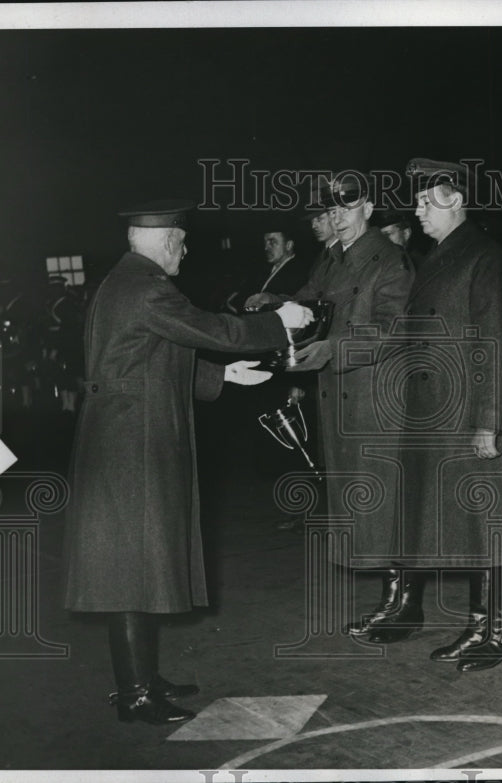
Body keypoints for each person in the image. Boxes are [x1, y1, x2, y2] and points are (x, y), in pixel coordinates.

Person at [62, 200, 313, 725]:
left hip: (129, 438)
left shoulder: (127, 282)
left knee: (139, 561)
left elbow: (155, 352)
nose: (187, 249)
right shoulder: (147, 286)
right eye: (183, 240)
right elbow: (210, 330)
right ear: (168, 240)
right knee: (132, 568)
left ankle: (142, 678)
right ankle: (134, 693)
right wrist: (277, 322)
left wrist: (223, 378)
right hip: (133, 445)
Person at [361, 158, 502, 672]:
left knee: (483, 522)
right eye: (419, 201)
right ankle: (476, 626)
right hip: (434, 412)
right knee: (457, 524)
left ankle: (495, 632)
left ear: (458, 201)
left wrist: (489, 420)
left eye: (429, 202)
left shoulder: (484, 257)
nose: (418, 211)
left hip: (468, 413)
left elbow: (493, 339)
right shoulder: (438, 255)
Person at [286, 173, 415, 632]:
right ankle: (394, 599)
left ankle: (402, 606)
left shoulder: (390, 259)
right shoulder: (331, 259)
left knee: (386, 504)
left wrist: (332, 350)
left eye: (346, 207)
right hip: (338, 396)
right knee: (361, 505)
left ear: (369, 206)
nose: (337, 217)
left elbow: (390, 329)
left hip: (375, 400)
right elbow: (306, 303)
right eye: (331, 210)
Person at [227, 221, 313, 313]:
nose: (266, 248)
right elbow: (240, 297)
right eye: (265, 243)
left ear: (288, 245)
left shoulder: (299, 272)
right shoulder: (263, 269)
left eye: (272, 242)